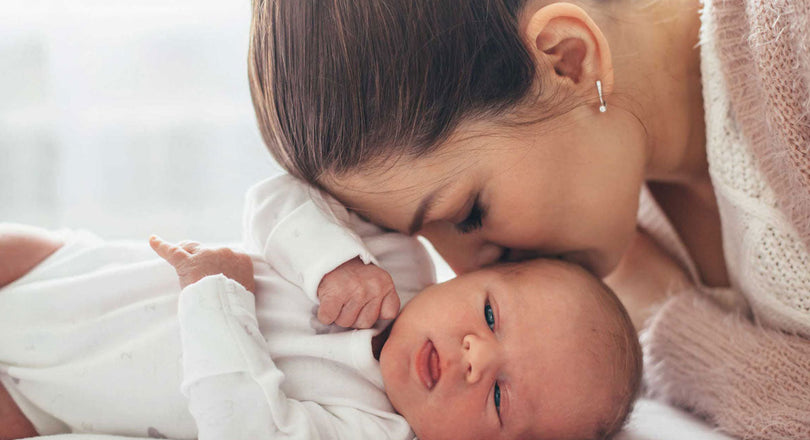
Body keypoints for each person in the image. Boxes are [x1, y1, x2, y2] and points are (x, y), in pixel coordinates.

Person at [247, 0, 810, 438]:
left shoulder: (793, 47)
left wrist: (672, 323)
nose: (463, 269)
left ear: (568, 58)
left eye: (469, 212)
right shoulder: (611, 233)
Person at [0, 175, 642, 440]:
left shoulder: (369, 429)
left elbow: (244, 425)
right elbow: (277, 193)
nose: (475, 356)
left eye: (501, 398)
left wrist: (213, 293)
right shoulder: (393, 256)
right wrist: (333, 262)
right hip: (72, 273)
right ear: (471, 273)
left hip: (46, 403)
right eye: (492, 317)